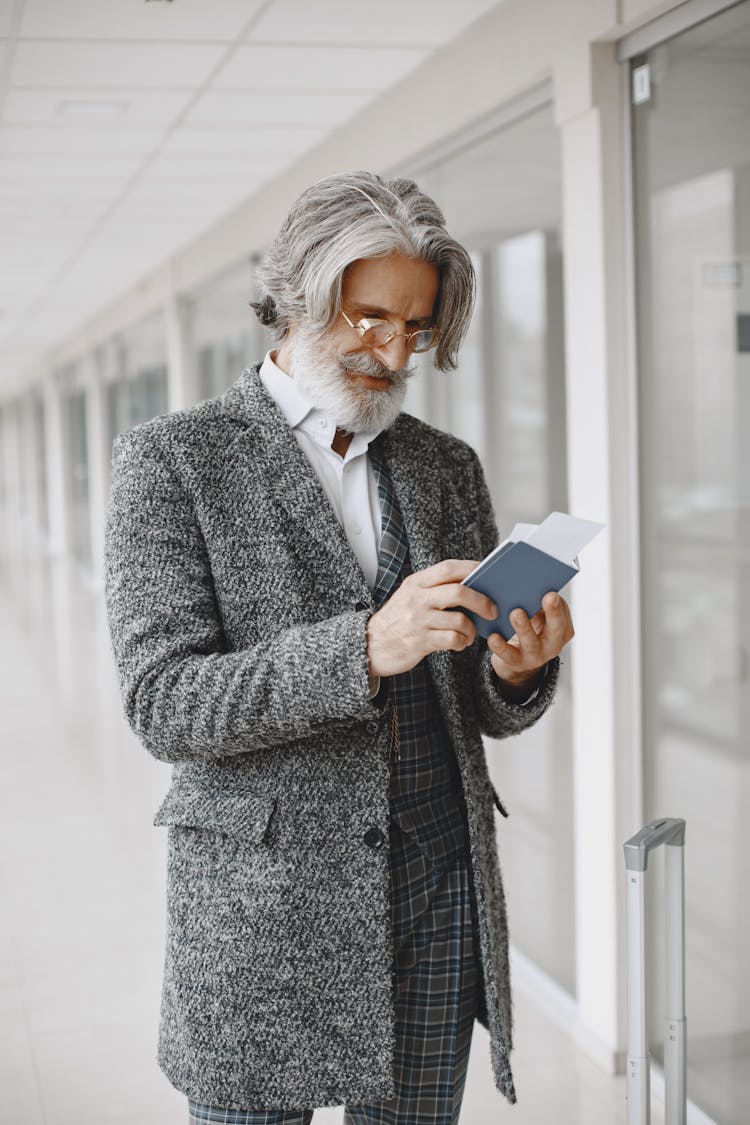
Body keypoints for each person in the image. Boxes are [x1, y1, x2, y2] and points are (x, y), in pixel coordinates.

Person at [104, 170, 574, 1125]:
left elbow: (472, 700)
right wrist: (363, 646)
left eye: (415, 328)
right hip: (265, 901)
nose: (393, 349)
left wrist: (516, 669)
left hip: (439, 877)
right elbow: (164, 701)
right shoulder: (174, 460)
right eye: (370, 317)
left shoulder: (446, 466)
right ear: (298, 292)